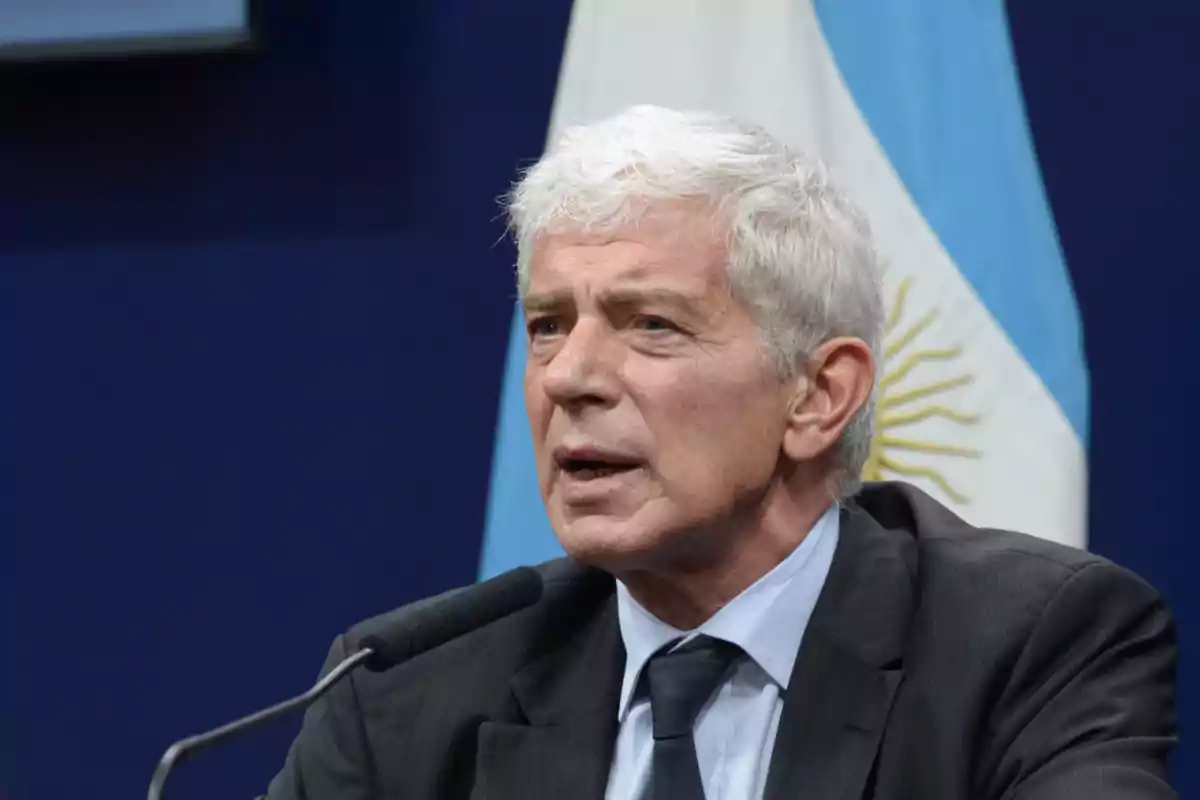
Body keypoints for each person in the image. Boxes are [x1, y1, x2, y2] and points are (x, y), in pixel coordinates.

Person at [264, 106, 1177, 800]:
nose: (568, 377)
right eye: (548, 325)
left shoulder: (1026, 649)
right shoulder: (398, 694)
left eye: (650, 325)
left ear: (819, 395)